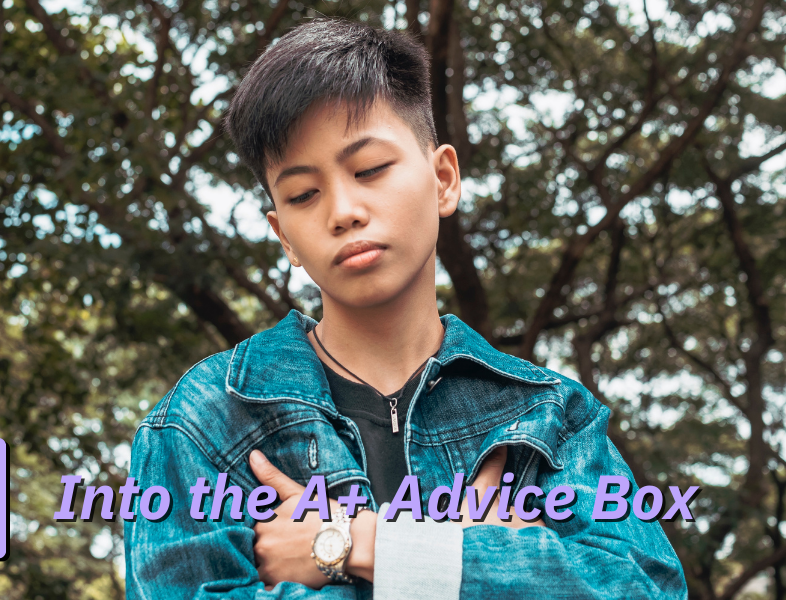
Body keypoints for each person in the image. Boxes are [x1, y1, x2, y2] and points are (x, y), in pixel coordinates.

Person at [122, 17, 685, 599]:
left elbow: (643, 587)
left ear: (443, 179)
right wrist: (490, 565)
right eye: (302, 195)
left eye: (369, 170)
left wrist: (358, 545)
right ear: (283, 235)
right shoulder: (205, 420)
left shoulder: (549, 415)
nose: (343, 210)